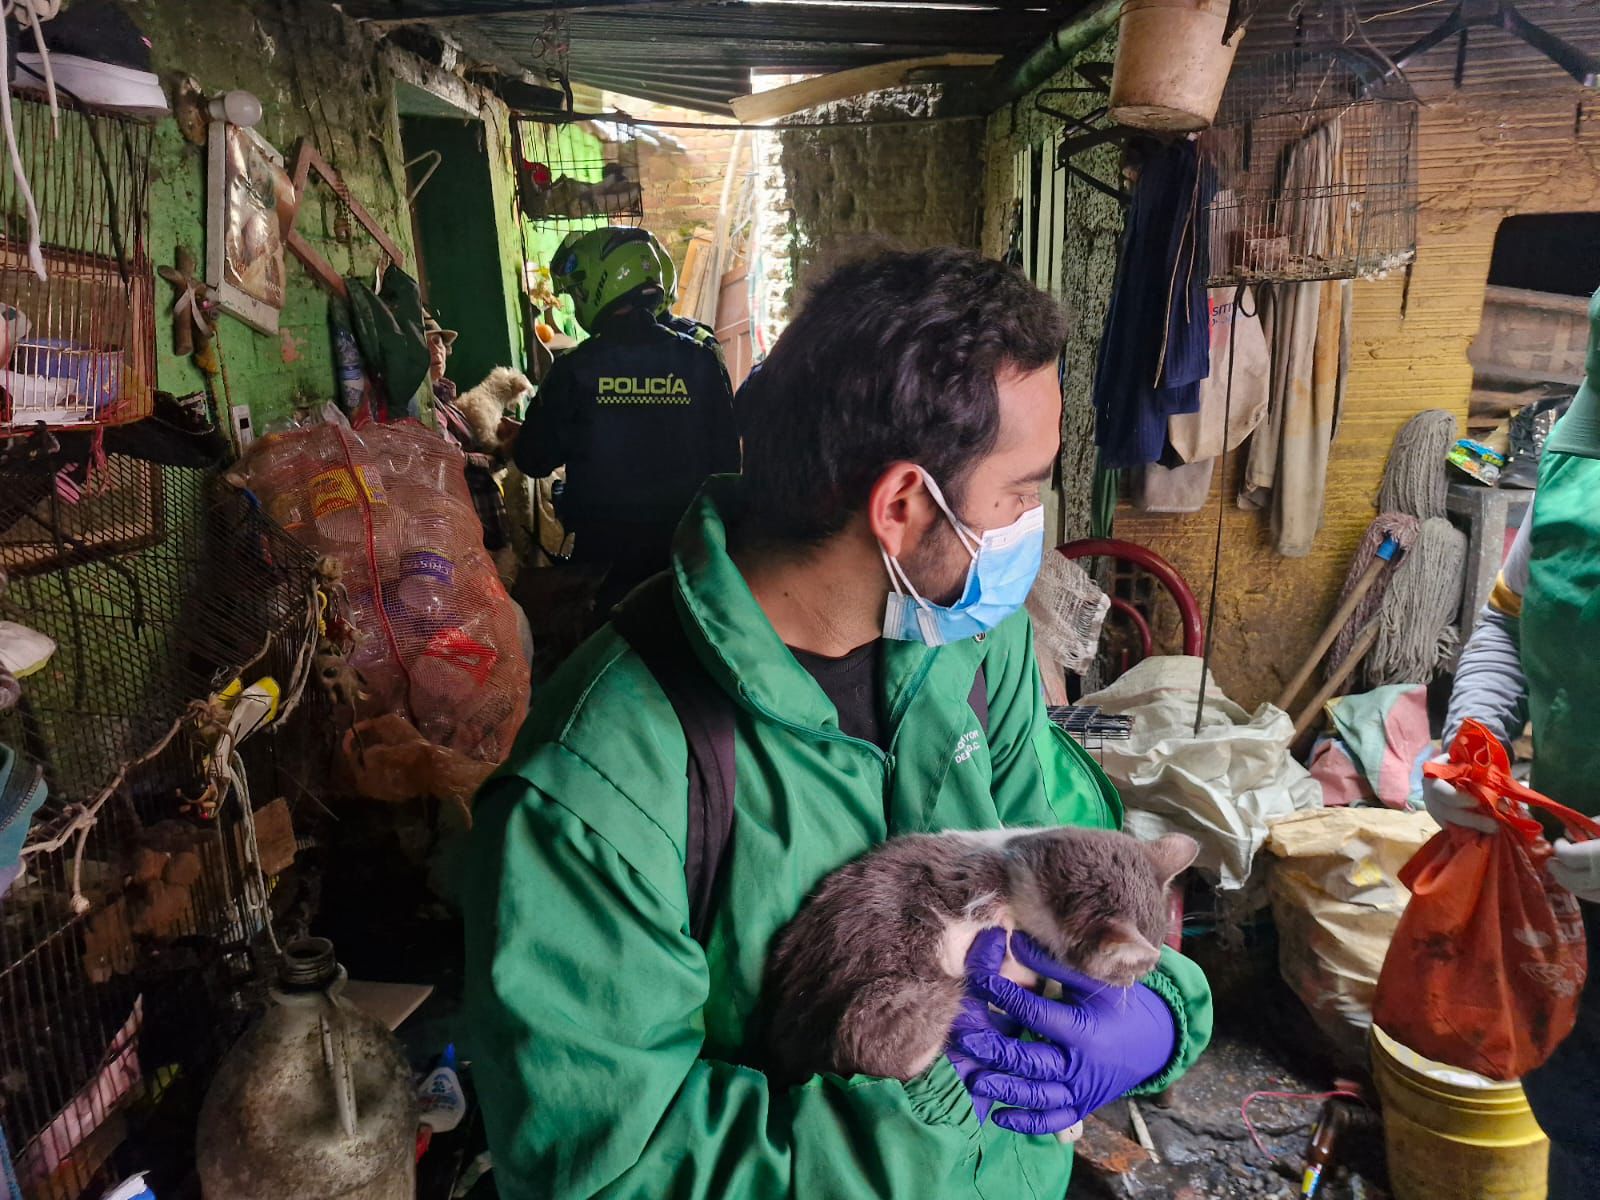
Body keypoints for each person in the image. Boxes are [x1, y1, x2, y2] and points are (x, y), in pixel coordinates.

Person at [464, 247, 1212, 1199]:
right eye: (1021, 493)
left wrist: (1155, 1012)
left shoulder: (976, 653)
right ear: (902, 505)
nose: (1035, 523)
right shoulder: (598, 787)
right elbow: (608, 1171)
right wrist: (938, 1112)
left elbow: (1088, 879)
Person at [1428, 284, 1600, 1197]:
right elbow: (1509, 623)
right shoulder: (1579, 468)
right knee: (1576, 1125)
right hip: (1581, 893)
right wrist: (1472, 737)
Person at [514, 226, 739, 617]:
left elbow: (532, 458)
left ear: (599, 284)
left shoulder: (575, 369)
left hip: (605, 571)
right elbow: (728, 468)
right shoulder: (702, 360)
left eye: (577, 291)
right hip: (687, 567)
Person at [425, 314, 515, 557]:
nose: (437, 350)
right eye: (427, 342)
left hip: (486, 519)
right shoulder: (425, 407)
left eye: (439, 342)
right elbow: (453, 460)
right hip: (468, 531)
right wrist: (501, 453)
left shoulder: (449, 402)